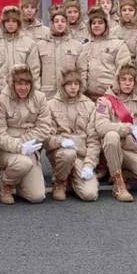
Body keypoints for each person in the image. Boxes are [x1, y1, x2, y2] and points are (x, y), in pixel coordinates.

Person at [95, 63, 137, 201]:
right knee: (111, 136)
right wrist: (129, 128)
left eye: (130, 80)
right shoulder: (105, 101)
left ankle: (127, 173)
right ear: (117, 81)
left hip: (132, 152)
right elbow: (101, 127)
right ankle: (118, 182)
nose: (127, 83)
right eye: (123, 79)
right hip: (113, 150)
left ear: (135, 83)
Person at [0, 63, 54, 205]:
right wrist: (19, 146)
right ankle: (5, 183)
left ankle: (18, 179)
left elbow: (44, 127)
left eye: (27, 84)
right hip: (7, 148)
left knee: (37, 196)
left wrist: (25, 142)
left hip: (30, 146)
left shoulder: (40, 97)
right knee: (23, 164)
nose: (23, 88)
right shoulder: (2, 99)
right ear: (12, 84)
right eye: (19, 84)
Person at [47, 66, 102, 202]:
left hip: (82, 156)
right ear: (62, 85)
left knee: (90, 194)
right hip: (62, 153)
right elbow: (46, 138)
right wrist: (60, 142)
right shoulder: (50, 105)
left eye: (76, 83)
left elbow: (94, 140)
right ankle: (60, 182)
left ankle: (72, 177)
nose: (73, 87)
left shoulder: (89, 105)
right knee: (68, 154)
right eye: (69, 84)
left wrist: (89, 164)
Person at [78, 5, 131, 99]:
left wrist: (114, 90)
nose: (96, 25)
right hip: (89, 98)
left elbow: (124, 70)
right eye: (93, 23)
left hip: (111, 96)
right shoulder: (84, 47)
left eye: (100, 22)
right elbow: (82, 71)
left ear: (106, 25)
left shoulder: (118, 45)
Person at [35, 5, 83, 96]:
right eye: (56, 21)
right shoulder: (40, 45)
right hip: (47, 95)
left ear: (67, 23)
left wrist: (79, 90)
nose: (60, 24)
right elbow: (35, 72)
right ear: (52, 23)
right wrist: (38, 92)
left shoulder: (77, 46)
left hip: (69, 94)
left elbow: (82, 71)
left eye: (63, 21)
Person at [0, 5, 40, 90]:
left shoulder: (29, 44)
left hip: (22, 90)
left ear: (18, 23)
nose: (11, 24)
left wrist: (35, 92)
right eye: (7, 21)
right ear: (3, 23)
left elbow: (34, 72)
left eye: (14, 21)